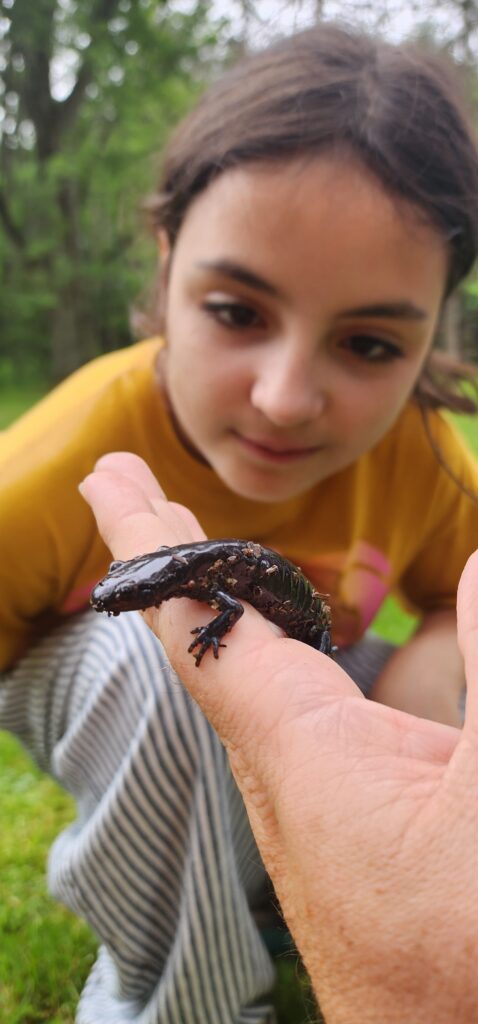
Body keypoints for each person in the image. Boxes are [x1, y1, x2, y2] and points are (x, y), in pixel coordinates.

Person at [1, 21, 478, 1024]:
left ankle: (275, 883)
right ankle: (177, 994)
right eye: (237, 310)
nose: (284, 397)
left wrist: (435, 659)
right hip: (98, 690)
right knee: (163, 658)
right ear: (168, 260)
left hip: (310, 646)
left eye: (366, 340)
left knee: (419, 662)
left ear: (437, 326)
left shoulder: (427, 456)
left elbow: (455, 592)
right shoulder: (60, 458)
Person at [80, 449, 478, 1024]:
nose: (119, 602)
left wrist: (215, 631)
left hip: (314, 634)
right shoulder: (185, 571)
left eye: (127, 597)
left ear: (161, 582)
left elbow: (228, 610)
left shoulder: (203, 579)